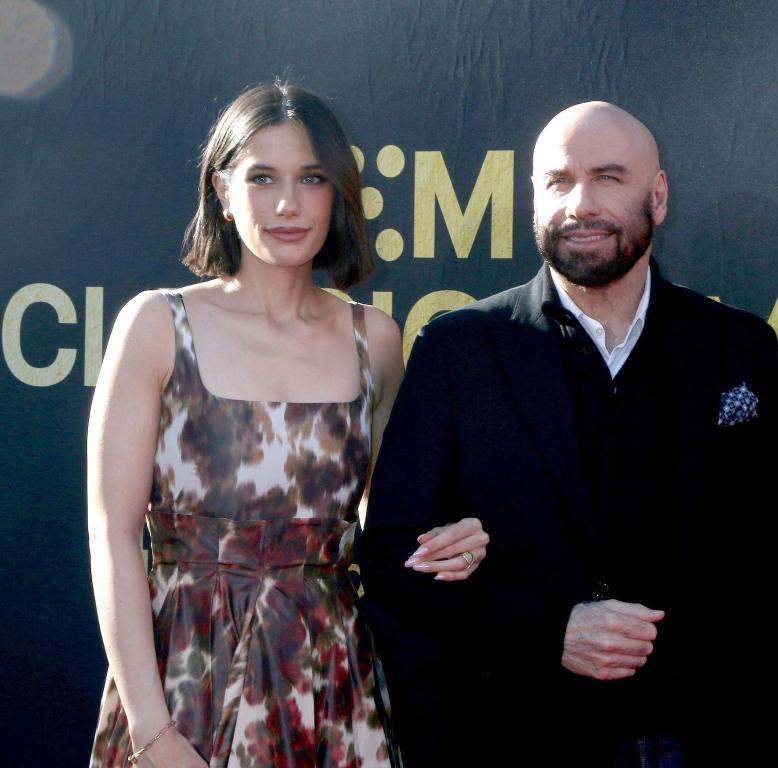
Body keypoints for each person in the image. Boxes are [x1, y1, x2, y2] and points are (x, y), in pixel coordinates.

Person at [357, 101, 778, 766]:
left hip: (706, 736)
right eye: (558, 181)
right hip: (518, 740)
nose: (580, 204)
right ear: (532, 198)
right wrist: (547, 630)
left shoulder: (738, 350)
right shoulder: (460, 349)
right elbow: (387, 558)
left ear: (658, 195)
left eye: (609, 177)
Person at [87, 82, 488, 768]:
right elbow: (113, 532)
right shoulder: (158, 325)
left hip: (331, 683)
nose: (287, 204)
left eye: (311, 178)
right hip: (185, 680)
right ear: (221, 189)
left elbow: (386, 522)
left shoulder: (375, 342)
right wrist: (153, 732)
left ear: (339, 194)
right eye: (262, 177)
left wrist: (453, 541)